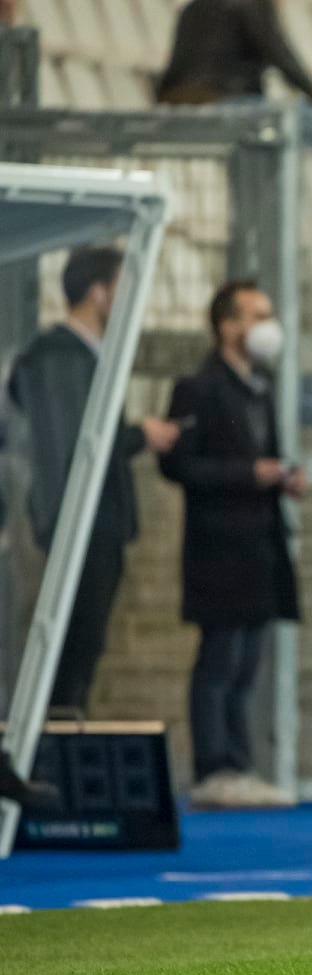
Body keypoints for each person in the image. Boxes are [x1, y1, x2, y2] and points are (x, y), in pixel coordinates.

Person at [5, 247, 178, 713]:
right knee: (67, 652)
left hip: (96, 526)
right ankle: (51, 742)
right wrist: (138, 435)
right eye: (122, 287)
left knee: (85, 648)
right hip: (74, 528)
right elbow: (72, 443)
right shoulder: (56, 357)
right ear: (98, 293)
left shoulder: (87, 356)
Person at [159, 280, 303, 809]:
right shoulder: (197, 387)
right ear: (227, 326)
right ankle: (212, 767)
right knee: (218, 661)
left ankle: (240, 765)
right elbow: (178, 464)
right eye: (255, 315)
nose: (267, 325)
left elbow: (265, 455)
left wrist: (283, 477)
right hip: (218, 549)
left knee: (247, 665)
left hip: (259, 548)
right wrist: (249, 473)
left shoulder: (260, 386)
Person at [154, 0, 312, 113]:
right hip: (226, 97)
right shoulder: (253, 4)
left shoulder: (192, 7)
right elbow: (279, 54)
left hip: (175, 97)